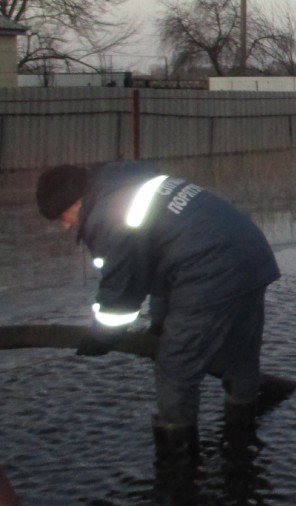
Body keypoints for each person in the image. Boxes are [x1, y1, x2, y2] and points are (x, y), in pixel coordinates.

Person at [36, 161, 280, 461]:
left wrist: (101, 336)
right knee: (240, 355)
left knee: (176, 368)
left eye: (62, 216)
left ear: (75, 201)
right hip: (252, 258)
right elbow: (162, 268)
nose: (65, 226)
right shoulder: (129, 184)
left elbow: (121, 293)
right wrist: (160, 323)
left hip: (211, 271)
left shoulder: (110, 216)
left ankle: (178, 462)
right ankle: (242, 442)